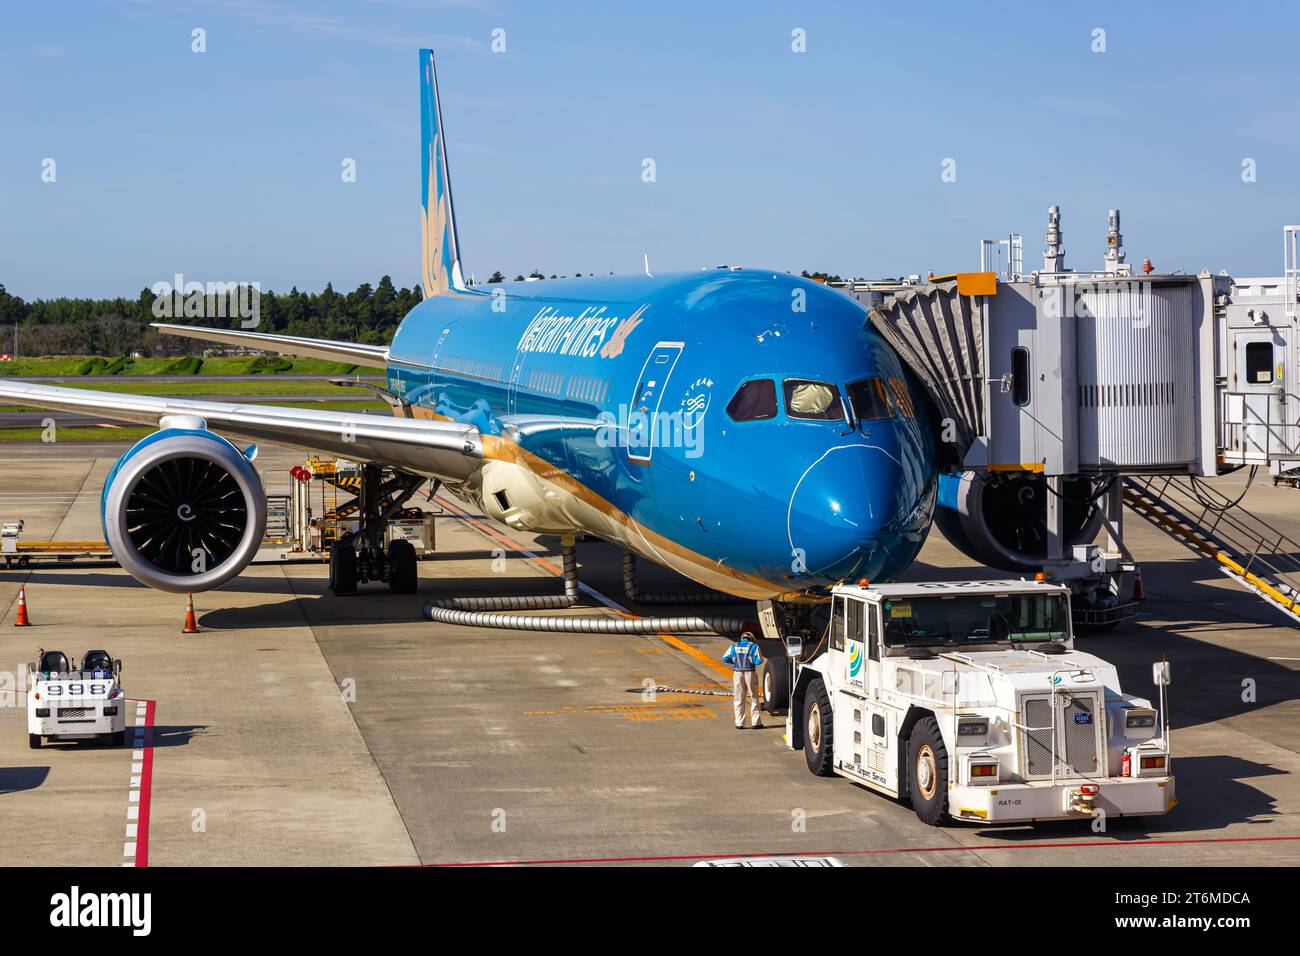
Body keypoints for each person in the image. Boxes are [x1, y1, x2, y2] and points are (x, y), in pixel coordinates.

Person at [722, 629, 763, 729]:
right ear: (752, 639)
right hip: (750, 673)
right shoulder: (754, 646)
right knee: (754, 697)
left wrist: (736, 662)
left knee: (738, 698)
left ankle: (739, 723)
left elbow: (725, 658)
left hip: (737, 673)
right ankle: (756, 722)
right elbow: (759, 661)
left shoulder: (734, 646)